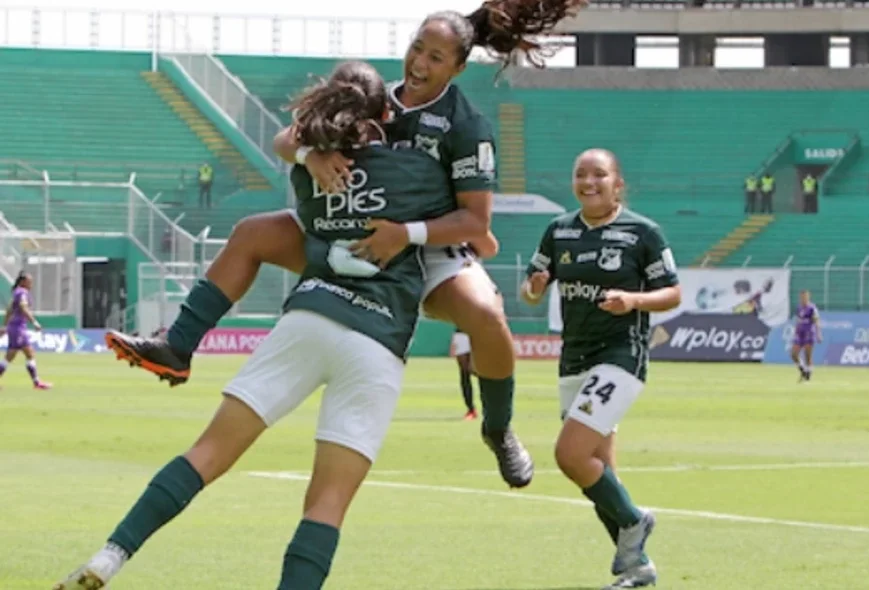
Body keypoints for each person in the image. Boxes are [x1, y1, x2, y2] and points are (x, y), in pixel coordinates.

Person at [101, 0, 589, 488]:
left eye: (436, 58)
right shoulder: (370, 94)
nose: (419, 63)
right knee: (253, 232)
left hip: (424, 247)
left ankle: (499, 429)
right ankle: (178, 347)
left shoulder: (467, 125)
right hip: (348, 231)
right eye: (417, 48)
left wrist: (406, 234)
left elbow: (475, 221)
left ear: (458, 68)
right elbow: (284, 140)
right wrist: (312, 153)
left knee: (487, 314)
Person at [56, 60, 445, 590]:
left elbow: (291, 142)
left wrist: (309, 150)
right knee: (326, 504)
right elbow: (475, 228)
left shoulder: (308, 170)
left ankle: (109, 556)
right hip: (378, 339)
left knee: (206, 454)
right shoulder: (418, 172)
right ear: (383, 111)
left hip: (311, 316)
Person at [520, 148, 680, 589]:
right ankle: (637, 568)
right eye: (581, 175)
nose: (589, 182)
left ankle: (635, 520)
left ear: (618, 183)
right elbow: (532, 288)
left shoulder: (642, 232)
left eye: (599, 174)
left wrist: (633, 301)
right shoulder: (559, 231)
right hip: (574, 358)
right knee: (599, 471)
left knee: (570, 455)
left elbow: (672, 293)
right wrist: (533, 290)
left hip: (620, 355)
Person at [3, 270, 52, 390]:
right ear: (23, 282)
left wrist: (5, 326)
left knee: (18, 355)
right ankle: (36, 382)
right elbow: (23, 307)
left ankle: (36, 382)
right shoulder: (22, 293)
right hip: (18, 328)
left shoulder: (16, 292)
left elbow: (9, 309)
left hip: (15, 327)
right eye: (30, 282)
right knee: (21, 354)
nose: (31, 284)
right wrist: (34, 322)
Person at [790, 289, 821, 382]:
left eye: (805, 296)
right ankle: (802, 370)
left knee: (807, 356)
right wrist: (795, 331)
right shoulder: (799, 308)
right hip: (800, 333)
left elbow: (816, 321)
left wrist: (819, 334)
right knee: (794, 354)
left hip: (809, 333)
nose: (803, 298)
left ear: (808, 297)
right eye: (802, 297)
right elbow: (798, 321)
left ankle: (808, 376)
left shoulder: (812, 308)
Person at [453, 327, 478, 419]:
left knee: (479, 370)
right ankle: (471, 409)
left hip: (479, 332)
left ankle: (490, 407)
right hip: (461, 332)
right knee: (464, 371)